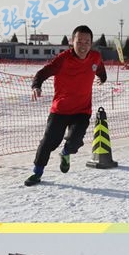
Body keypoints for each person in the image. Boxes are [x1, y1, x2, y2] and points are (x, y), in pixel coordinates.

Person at [24, 25, 107, 186]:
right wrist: (36, 86)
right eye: (79, 41)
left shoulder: (95, 57)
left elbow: (101, 70)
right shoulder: (63, 59)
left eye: (87, 42)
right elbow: (43, 72)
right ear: (72, 41)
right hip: (60, 110)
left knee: (74, 141)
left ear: (91, 43)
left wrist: (102, 78)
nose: (83, 45)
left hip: (82, 111)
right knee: (49, 142)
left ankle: (66, 153)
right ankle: (37, 173)